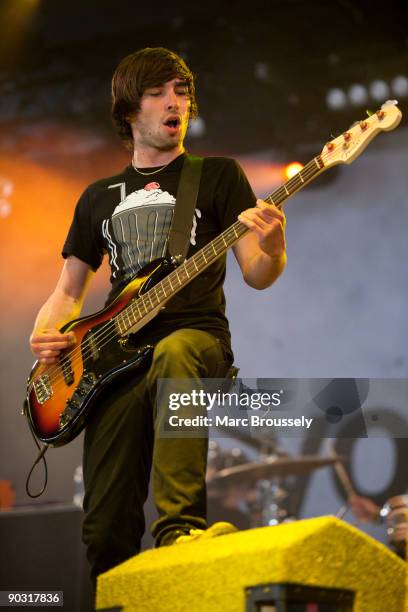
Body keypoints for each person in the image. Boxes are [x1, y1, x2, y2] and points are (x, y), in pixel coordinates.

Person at [29, 47, 287, 584]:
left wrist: (275, 246)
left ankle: (180, 530)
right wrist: (46, 333)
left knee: (176, 349)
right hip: (114, 355)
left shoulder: (217, 176)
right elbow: (67, 292)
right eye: (158, 92)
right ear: (130, 111)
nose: (176, 102)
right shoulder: (98, 197)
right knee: (103, 532)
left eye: (182, 91)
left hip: (195, 340)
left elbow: (257, 274)